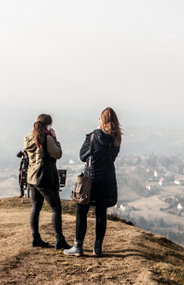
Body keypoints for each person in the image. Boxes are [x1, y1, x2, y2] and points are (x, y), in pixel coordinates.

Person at [64, 107, 122, 257]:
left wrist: (93, 133)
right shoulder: (116, 139)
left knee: (81, 212)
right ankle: (98, 248)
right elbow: (112, 157)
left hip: (91, 178)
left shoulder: (94, 136)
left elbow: (82, 156)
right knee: (101, 213)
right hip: (107, 179)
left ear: (101, 121)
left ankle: (78, 246)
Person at [24, 114, 71, 249]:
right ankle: (59, 239)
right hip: (45, 177)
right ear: (48, 125)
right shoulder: (47, 138)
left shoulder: (29, 138)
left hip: (32, 177)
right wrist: (55, 138)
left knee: (36, 207)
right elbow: (58, 153)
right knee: (56, 208)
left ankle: (36, 238)